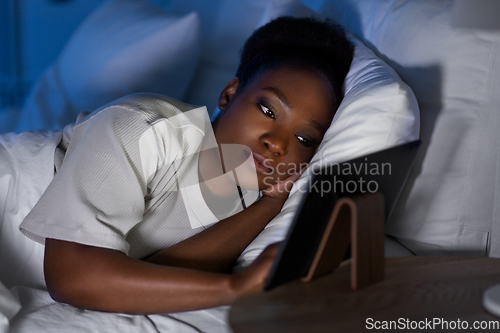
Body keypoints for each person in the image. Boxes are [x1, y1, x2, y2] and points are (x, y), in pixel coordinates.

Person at [16, 16, 354, 314]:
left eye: (305, 139)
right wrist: (233, 289)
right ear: (229, 94)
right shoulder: (143, 126)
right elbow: (74, 276)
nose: (278, 143)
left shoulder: (251, 193)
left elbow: (148, 273)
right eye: (267, 110)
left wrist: (270, 205)